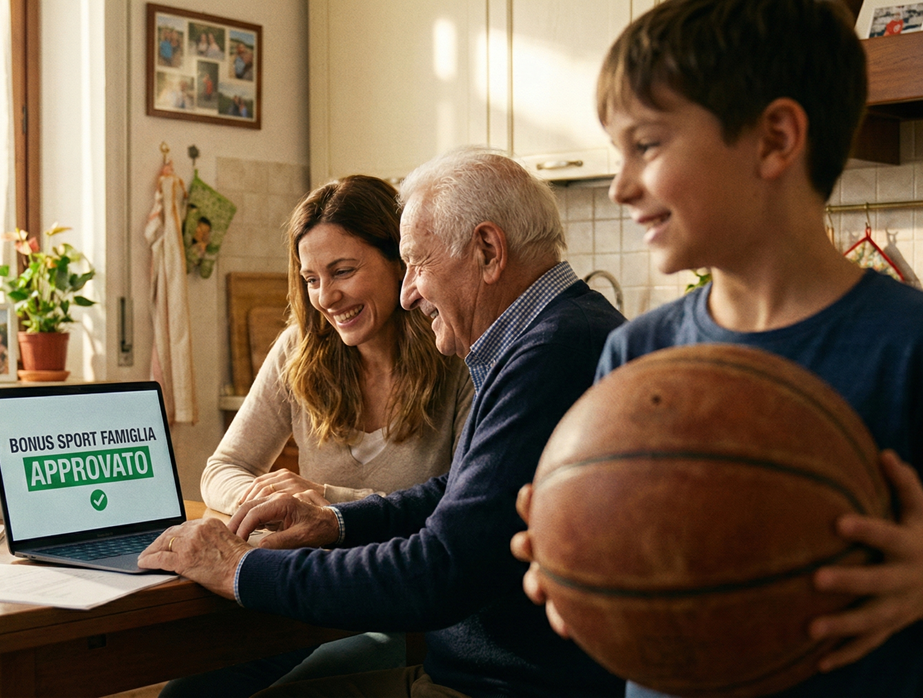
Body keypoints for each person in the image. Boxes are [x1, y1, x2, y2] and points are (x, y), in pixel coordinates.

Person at [509, 2, 923, 696]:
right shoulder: (635, 353)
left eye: (646, 146)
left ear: (774, 139)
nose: (620, 186)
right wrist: (581, 572)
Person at [139, 148, 627, 697]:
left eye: (416, 262)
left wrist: (239, 569)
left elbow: (439, 568)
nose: (409, 290)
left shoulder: (552, 352)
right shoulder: (543, 338)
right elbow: (456, 495)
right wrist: (337, 522)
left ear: (488, 250)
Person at [168, 175, 473, 697]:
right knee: (186, 694)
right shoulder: (298, 351)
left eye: (343, 271)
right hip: (307, 599)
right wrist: (269, 497)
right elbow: (221, 468)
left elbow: (455, 513)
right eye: (310, 278)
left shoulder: (457, 359)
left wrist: (326, 503)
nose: (326, 298)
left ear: (398, 262)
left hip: (402, 616)